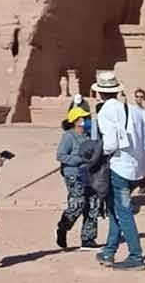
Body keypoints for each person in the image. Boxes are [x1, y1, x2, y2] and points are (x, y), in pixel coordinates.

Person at [92, 71, 145, 271]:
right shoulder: (136, 111)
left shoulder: (105, 112)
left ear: (100, 93)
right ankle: (109, 251)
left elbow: (110, 144)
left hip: (119, 168)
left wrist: (97, 153)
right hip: (135, 168)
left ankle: (136, 256)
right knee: (115, 210)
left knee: (123, 212)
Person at [56, 107, 100, 251]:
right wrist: (79, 159)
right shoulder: (68, 136)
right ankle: (63, 227)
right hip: (73, 173)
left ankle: (88, 238)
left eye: (87, 118)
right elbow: (61, 156)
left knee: (93, 204)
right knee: (78, 204)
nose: (86, 120)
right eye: (83, 118)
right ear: (76, 121)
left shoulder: (90, 135)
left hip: (90, 174)